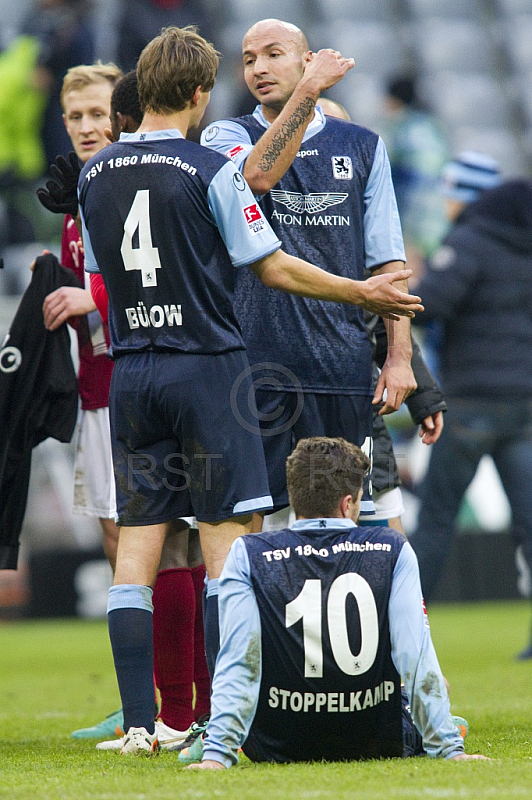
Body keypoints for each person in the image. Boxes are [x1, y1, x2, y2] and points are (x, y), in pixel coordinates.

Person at [77, 25, 423, 755]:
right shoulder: (212, 166)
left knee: (135, 555)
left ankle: (143, 724)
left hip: (134, 370)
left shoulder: (94, 171)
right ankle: (218, 718)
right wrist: (361, 293)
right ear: (202, 93)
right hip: (210, 369)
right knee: (223, 558)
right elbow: (271, 266)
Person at [37, 67, 210, 746]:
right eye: (74, 115)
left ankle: (174, 709)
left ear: (125, 116)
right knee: (142, 546)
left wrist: (93, 298)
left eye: (97, 114)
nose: (85, 126)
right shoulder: (81, 194)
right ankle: (160, 702)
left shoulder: (127, 182)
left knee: (164, 545)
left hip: (139, 383)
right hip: (99, 392)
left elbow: (161, 273)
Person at [201, 19, 417, 541]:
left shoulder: (362, 145)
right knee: (253, 526)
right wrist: (310, 92)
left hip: (340, 366)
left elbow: (387, 260)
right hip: (257, 367)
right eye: (249, 59)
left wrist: (399, 357)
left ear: (306, 59)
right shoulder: (225, 135)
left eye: (274, 54)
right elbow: (256, 176)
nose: (259, 68)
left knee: (342, 525)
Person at [186, 436, 487, 768]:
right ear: (348, 503)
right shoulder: (392, 548)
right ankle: (446, 727)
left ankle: (211, 741)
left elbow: (239, 660)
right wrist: (448, 749)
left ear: (294, 496)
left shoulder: (249, 552)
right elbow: (414, 656)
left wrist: (217, 756)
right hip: (376, 737)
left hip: (276, 743)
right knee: (427, 683)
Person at [407, 154, 532, 659]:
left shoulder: (468, 242)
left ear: (466, 195)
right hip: (524, 405)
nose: (447, 201)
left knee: (435, 521)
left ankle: (407, 632)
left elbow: (432, 304)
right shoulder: (524, 246)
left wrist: (398, 293)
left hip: (472, 403)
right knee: (530, 523)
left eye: (452, 191)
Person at [319, 97, 446, 533]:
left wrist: (422, 394)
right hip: (287, 397)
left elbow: (383, 322)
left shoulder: (365, 236)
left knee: (386, 530)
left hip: (359, 403)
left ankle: (408, 605)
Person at [382, 75, 449, 274]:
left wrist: (405, 234)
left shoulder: (402, 129)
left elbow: (407, 185)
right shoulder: (432, 126)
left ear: (393, 100)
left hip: (415, 222)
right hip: (440, 219)